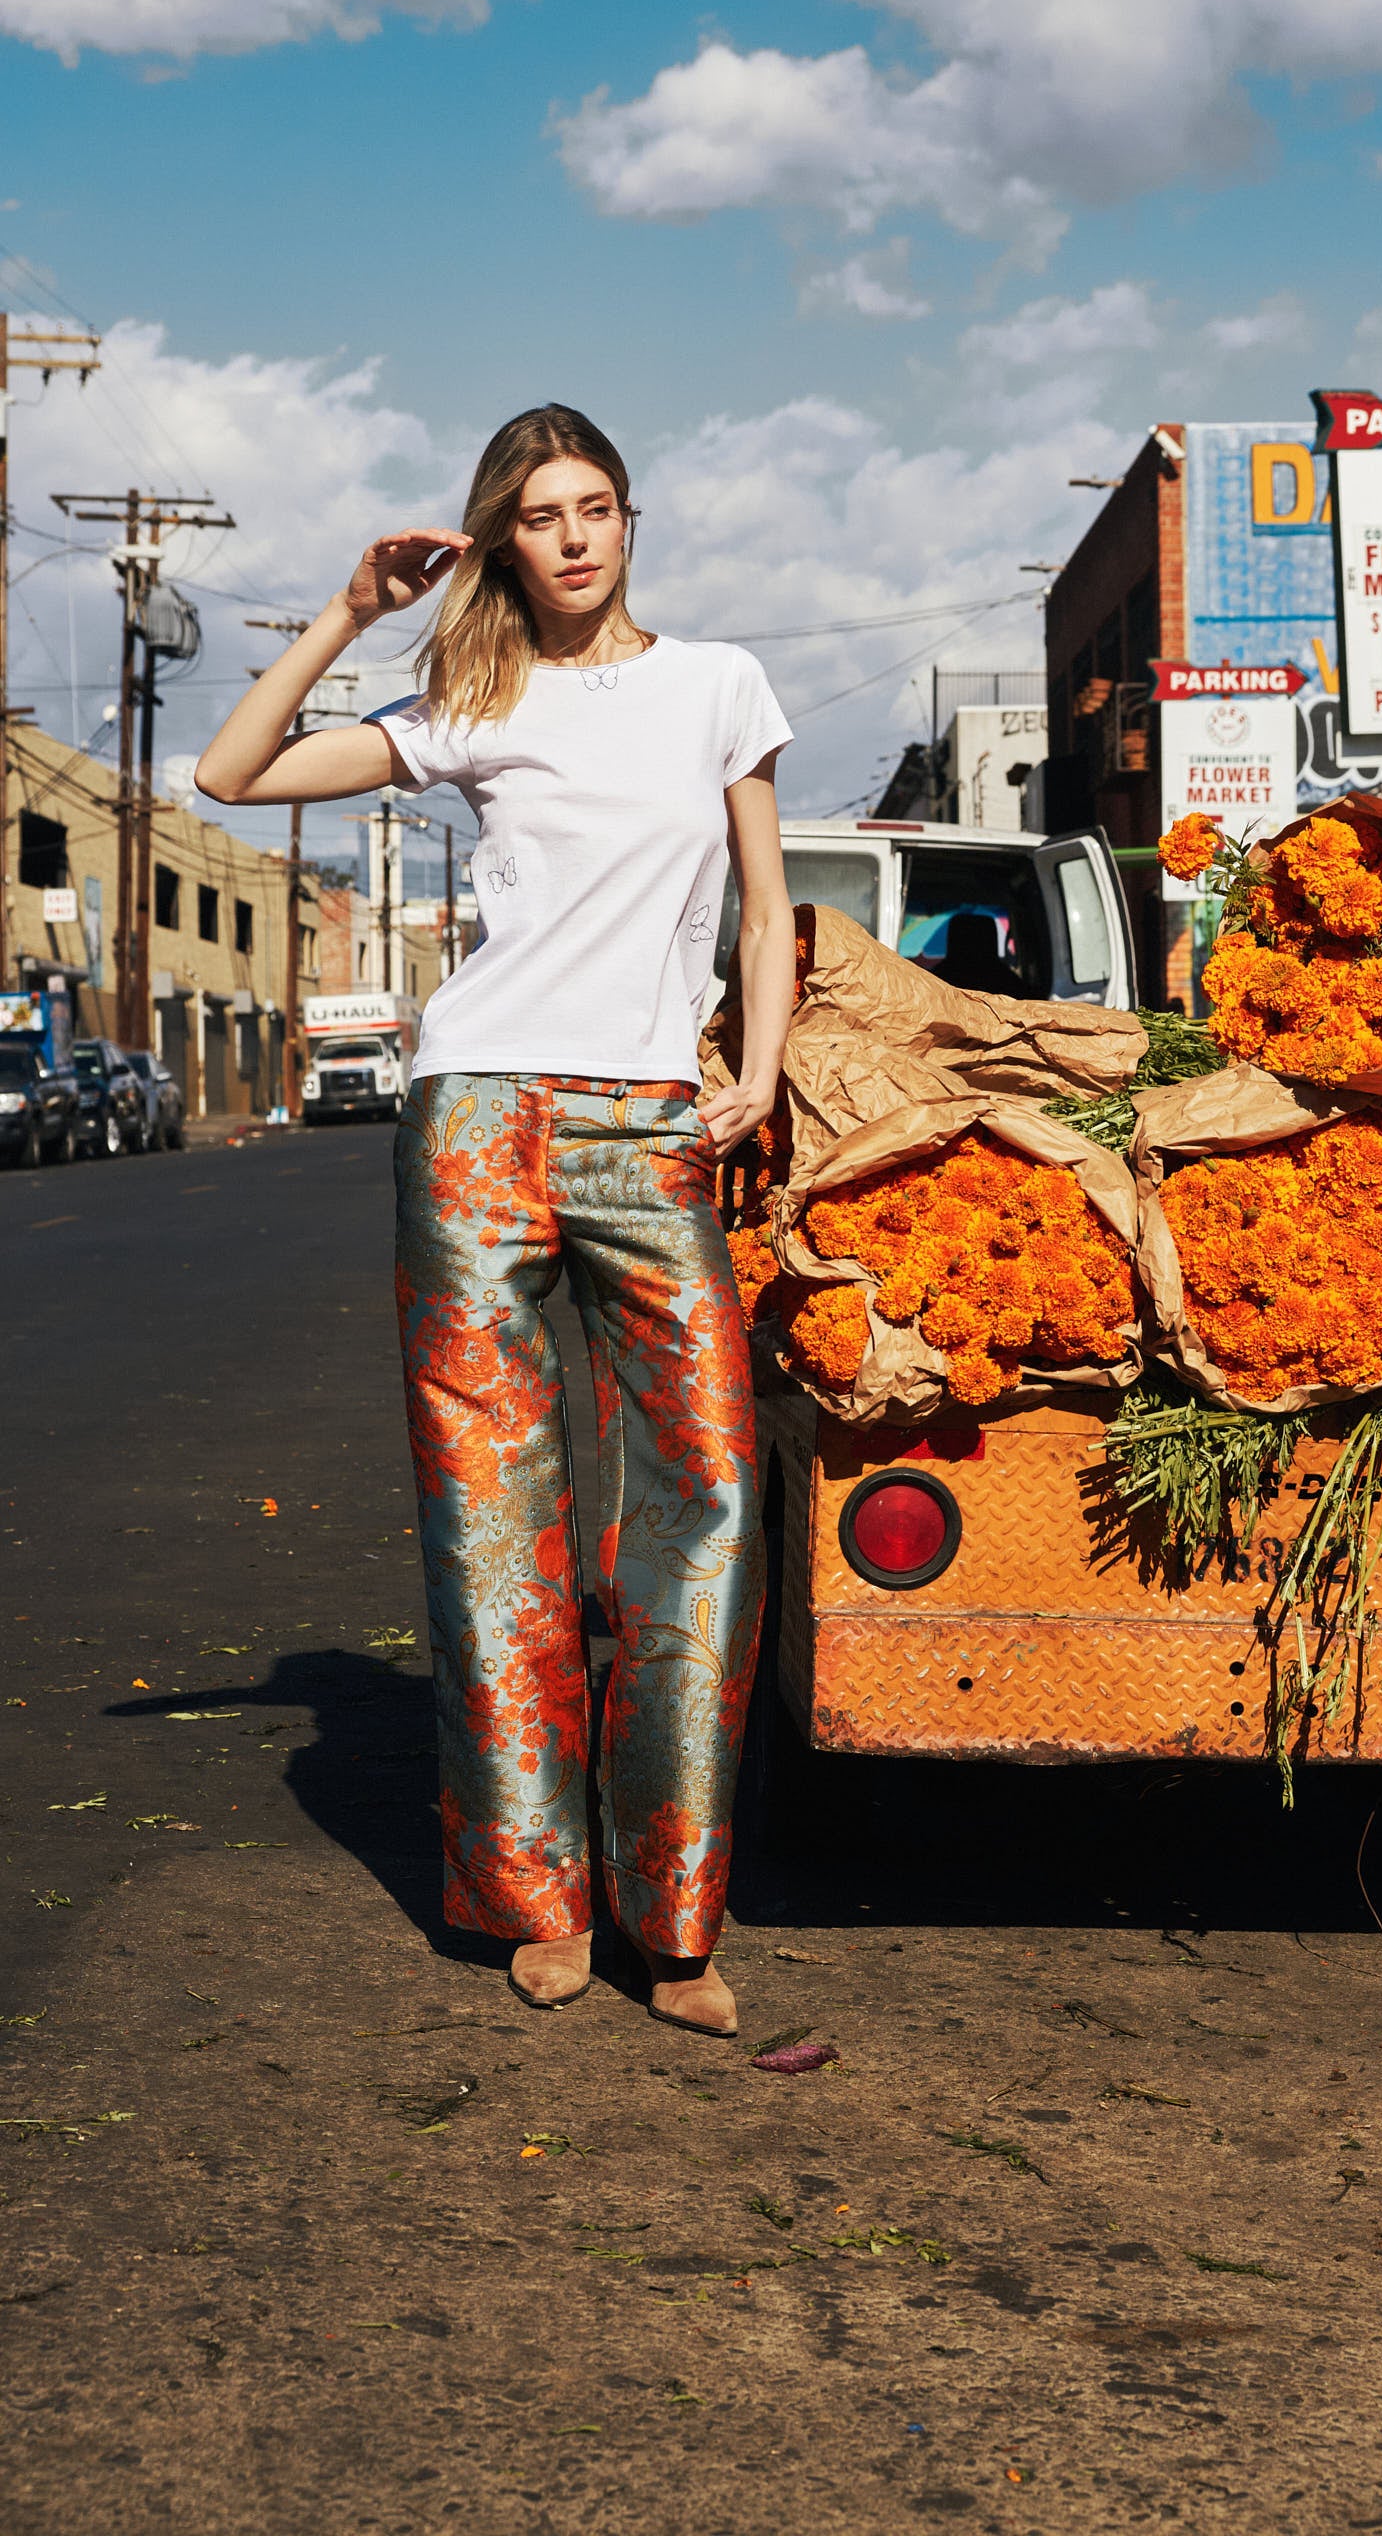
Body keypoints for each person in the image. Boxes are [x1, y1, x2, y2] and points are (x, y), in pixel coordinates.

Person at [197, 404, 795, 2030]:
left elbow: (762, 907)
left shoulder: (719, 685)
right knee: (490, 1512)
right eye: (543, 515)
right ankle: (540, 1901)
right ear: (503, 542)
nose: (577, 536)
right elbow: (230, 773)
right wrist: (350, 612)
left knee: (711, 1494)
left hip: (651, 1121)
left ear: (630, 519)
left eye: (598, 506)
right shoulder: (475, 698)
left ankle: (674, 1912)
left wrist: (757, 1068)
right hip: (475, 1119)